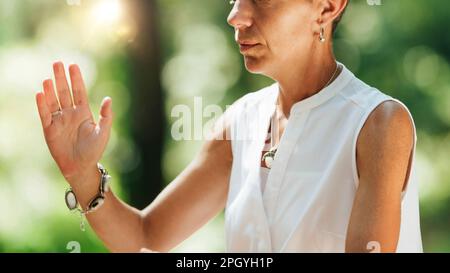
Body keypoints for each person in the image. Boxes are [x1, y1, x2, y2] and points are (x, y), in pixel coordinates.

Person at [35, 0, 422, 253]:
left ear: (326, 7)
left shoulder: (378, 124)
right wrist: (83, 174)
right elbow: (144, 236)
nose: (236, 15)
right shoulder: (239, 123)